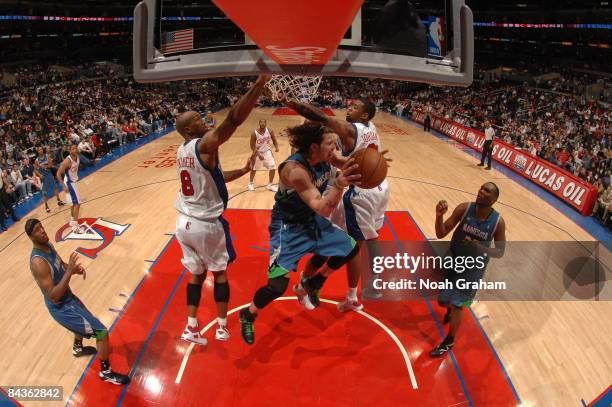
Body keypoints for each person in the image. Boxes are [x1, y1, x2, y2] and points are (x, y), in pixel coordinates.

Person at [238, 122, 362, 345]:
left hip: (310, 220)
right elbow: (324, 207)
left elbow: (344, 161)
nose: (335, 150)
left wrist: (368, 162)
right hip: (287, 227)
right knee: (276, 287)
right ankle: (248, 314)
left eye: (336, 146)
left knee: (351, 247)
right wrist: (339, 183)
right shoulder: (295, 171)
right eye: (331, 145)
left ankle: (313, 283)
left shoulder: (326, 156)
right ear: (314, 148)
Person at [175, 75, 269, 346]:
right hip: (206, 224)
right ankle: (221, 326)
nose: (203, 118)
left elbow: (213, 177)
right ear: (189, 130)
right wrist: (259, 85)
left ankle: (191, 326)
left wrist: (242, 170)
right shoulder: (203, 144)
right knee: (220, 273)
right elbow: (234, 120)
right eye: (196, 119)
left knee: (196, 273)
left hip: (184, 223)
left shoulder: (183, 151)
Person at [281, 96, 390, 305]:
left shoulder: (346, 134)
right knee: (354, 243)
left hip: (349, 193)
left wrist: (290, 102)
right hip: (366, 190)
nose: (349, 108)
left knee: (347, 246)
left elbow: (336, 152)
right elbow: (339, 160)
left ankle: (313, 285)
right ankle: (311, 283)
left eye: (355, 107)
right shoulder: (370, 127)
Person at [26, 218, 129, 384]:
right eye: (37, 230)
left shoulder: (48, 246)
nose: (43, 231)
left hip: (68, 298)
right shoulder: (38, 262)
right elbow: (53, 295)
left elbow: (61, 265)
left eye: (42, 227)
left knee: (83, 320)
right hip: (61, 307)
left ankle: (77, 347)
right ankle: (106, 372)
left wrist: (73, 269)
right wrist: (69, 273)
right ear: (31, 237)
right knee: (101, 332)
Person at [429, 182, 506, 357]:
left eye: (487, 191)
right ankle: (449, 306)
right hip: (454, 258)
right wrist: (439, 216)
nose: (481, 191)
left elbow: (500, 252)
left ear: (494, 200)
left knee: (458, 304)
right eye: (481, 188)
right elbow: (441, 233)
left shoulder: (498, 222)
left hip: (473, 268)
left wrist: (480, 247)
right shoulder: (464, 209)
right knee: (442, 300)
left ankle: (449, 340)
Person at [57, 144, 84, 233]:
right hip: (69, 183)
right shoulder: (67, 161)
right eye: (73, 149)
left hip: (74, 181)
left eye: (76, 148)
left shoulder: (77, 156)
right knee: (77, 204)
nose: (75, 150)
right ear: (70, 151)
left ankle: (72, 221)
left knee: (73, 203)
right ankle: (75, 227)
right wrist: (63, 186)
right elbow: (58, 173)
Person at [248, 119, 280, 192]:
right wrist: (258, 154)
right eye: (261, 122)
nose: (262, 123)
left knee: (273, 167)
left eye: (264, 122)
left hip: (267, 152)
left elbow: (274, 140)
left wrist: (277, 147)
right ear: (259, 123)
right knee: (254, 169)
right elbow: (252, 146)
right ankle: (250, 183)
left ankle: (270, 185)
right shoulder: (254, 133)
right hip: (257, 152)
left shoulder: (270, 131)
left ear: (266, 123)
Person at [35, 146, 64, 213]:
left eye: (41, 149)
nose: (41, 150)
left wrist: (46, 166)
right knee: (44, 193)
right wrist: (39, 175)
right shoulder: (36, 160)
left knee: (55, 188)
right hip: (43, 178)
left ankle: (59, 201)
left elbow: (51, 165)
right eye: (39, 150)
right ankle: (46, 206)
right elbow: (35, 170)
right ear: (38, 152)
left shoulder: (47, 156)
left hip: (49, 175)